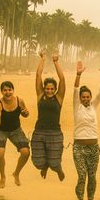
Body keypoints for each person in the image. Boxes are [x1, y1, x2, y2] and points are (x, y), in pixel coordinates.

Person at [72, 61, 100, 200]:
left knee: (92, 176)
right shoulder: (76, 107)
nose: (86, 99)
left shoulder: (94, 106)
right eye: (83, 97)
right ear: (80, 98)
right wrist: (78, 74)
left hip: (93, 148)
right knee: (82, 175)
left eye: (88, 97)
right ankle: (80, 198)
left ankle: (90, 198)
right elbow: (75, 89)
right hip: (79, 148)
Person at [31, 52, 67, 181]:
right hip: (39, 131)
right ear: (44, 88)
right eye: (47, 88)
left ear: (55, 89)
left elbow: (62, 79)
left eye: (52, 89)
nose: (49, 91)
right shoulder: (40, 95)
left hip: (55, 133)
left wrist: (56, 62)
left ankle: (58, 170)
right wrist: (42, 59)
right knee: (38, 163)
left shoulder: (59, 97)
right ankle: (44, 166)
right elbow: (38, 75)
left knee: (55, 163)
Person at [0, 81, 31, 188]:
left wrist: (26, 113)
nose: (7, 92)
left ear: (13, 90)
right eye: (5, 90)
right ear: (1, 91)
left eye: (10, 90)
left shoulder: (19, 100)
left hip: (15, 130)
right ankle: (3, 176)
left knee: (26, 152)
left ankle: (16, 173)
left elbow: (25, 114)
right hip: (0, 130)